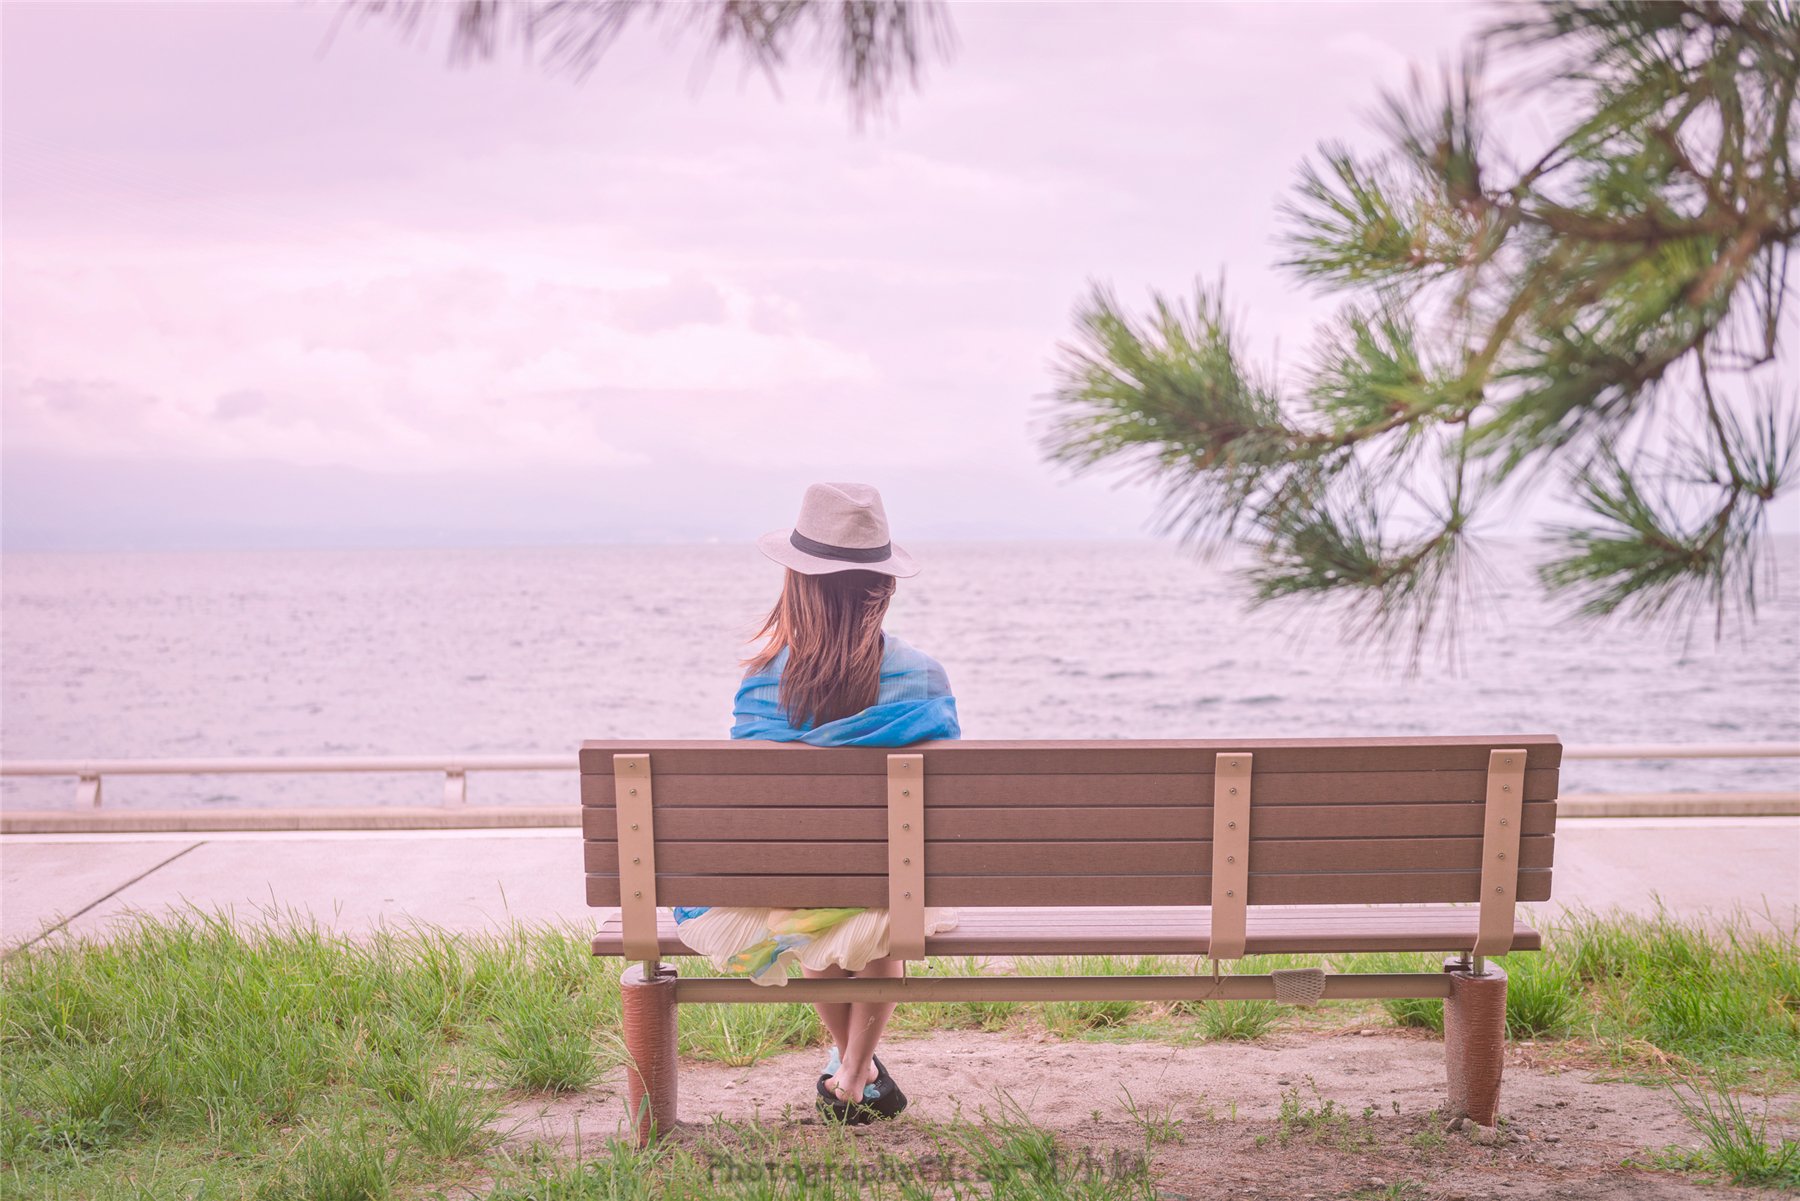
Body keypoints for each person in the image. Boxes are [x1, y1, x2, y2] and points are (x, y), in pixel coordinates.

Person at [670, 481, 960, 1123]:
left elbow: (755, 819)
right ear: (882, 587)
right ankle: (856, 1072)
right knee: (888, 895)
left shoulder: (760, 685)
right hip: (894, 887)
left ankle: (850, 1066)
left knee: (798, 906)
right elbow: (941, 816)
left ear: (797, 584)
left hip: (790, 888)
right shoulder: (926, 679)